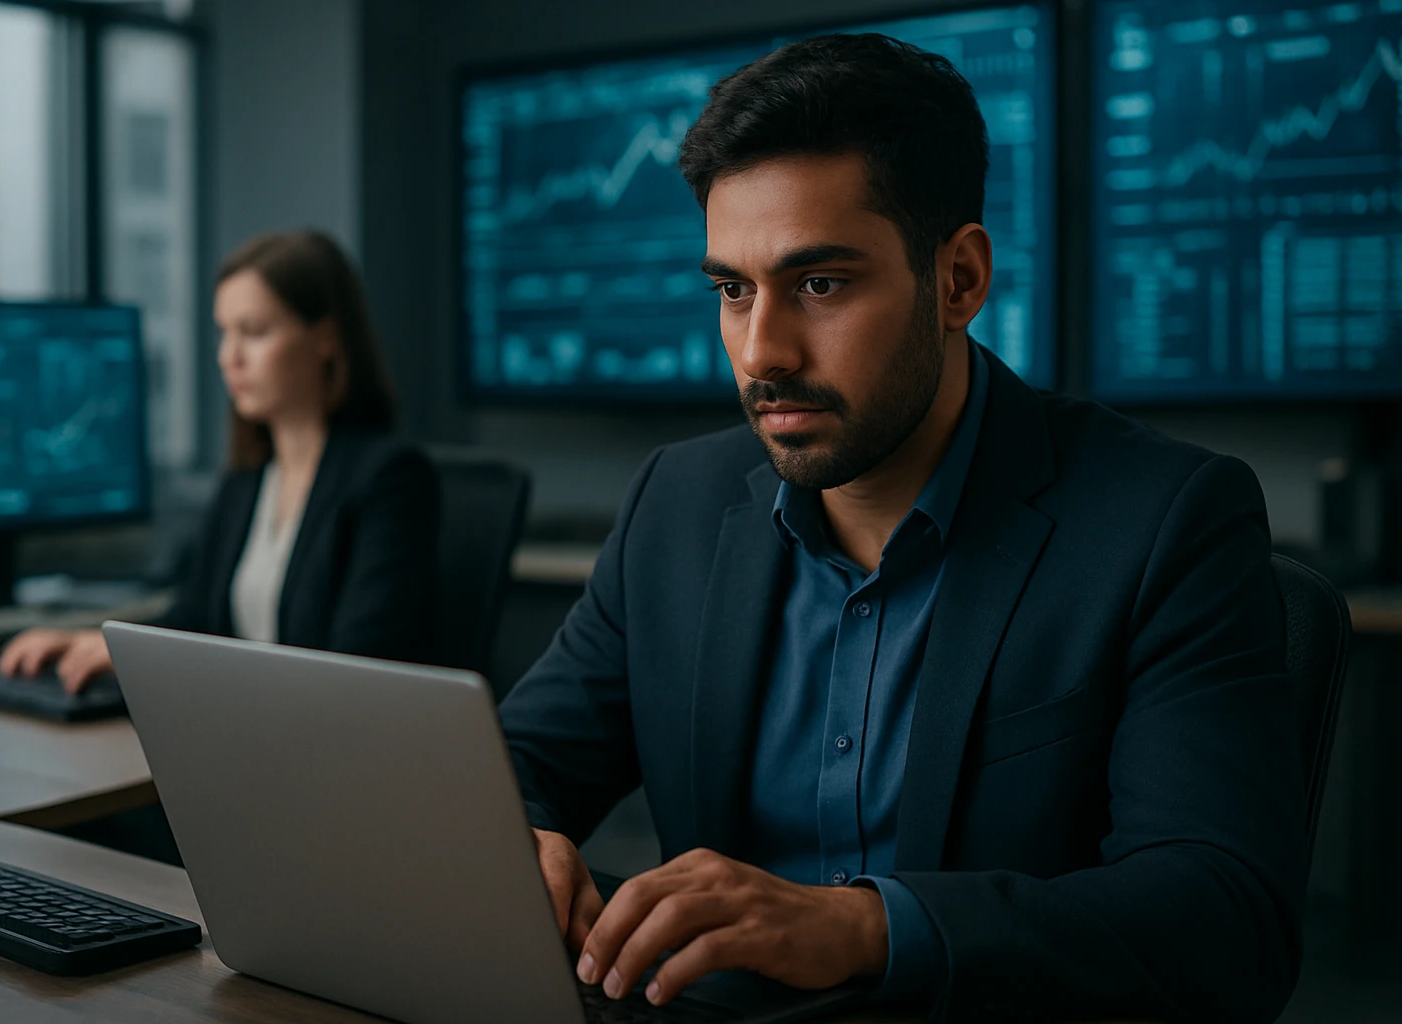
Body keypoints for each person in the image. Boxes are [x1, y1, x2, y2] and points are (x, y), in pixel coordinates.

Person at [498, 34, 1306, 1023]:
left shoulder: (1166, 522)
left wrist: (863, 927)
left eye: (821, 284)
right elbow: (517, 765)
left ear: (959, 280)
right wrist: (515, 836)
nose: (763, 351)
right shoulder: (679, 501)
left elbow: (1225, 923)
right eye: (732, 289)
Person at [0, 230, 439, 693]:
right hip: (247, 737)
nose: (230, 357)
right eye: (225, 332)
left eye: (254, 332)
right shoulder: (247, 483)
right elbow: (197, 618)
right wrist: (96, 644)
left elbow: (356, 670)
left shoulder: (390, 479)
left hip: (327, 748)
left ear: (325, 339)